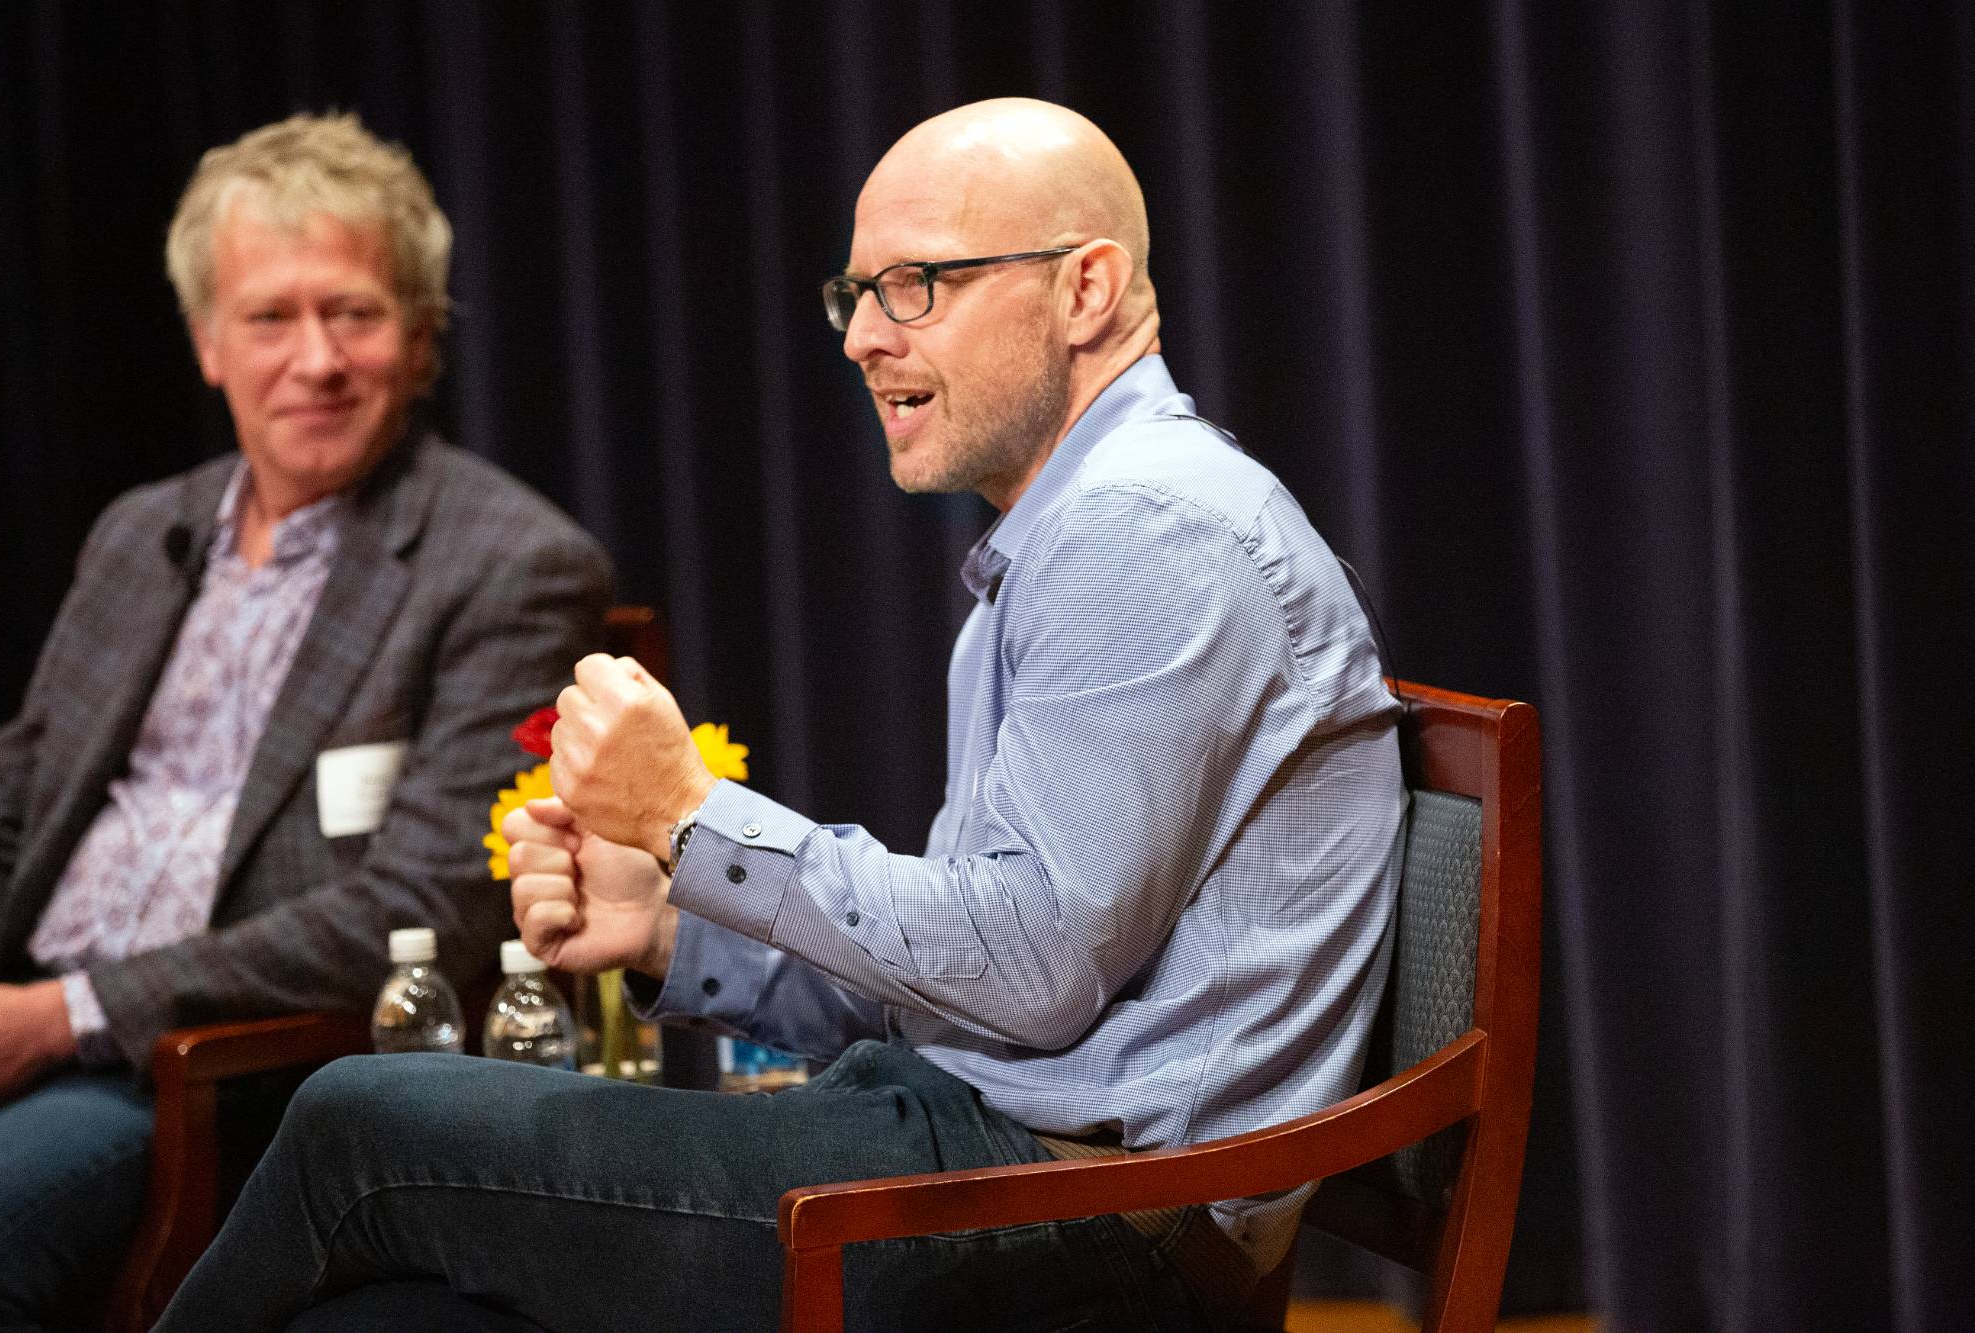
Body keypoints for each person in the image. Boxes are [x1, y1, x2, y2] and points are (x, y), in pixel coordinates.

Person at [157, 98, 1406, 1333]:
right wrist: (668, 928)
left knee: (352, 1125)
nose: (864, 336)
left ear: (1086, 290)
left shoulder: (1151, 529)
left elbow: (1025, 975)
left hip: (1078, 1218)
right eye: (854, 294)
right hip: (988, 1155)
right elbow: (979, 981)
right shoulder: (1075, 535)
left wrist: (688, 816)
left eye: (917, 283)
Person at [0, 113, 611, 1329]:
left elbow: (426, 901)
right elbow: (5, 815)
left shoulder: (511, 563)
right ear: (209, 342)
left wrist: (55, 1021)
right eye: (269, 318)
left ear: (420, 340)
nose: (312, 358)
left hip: (200, 1072)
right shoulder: (137, 536)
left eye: (354, 314)